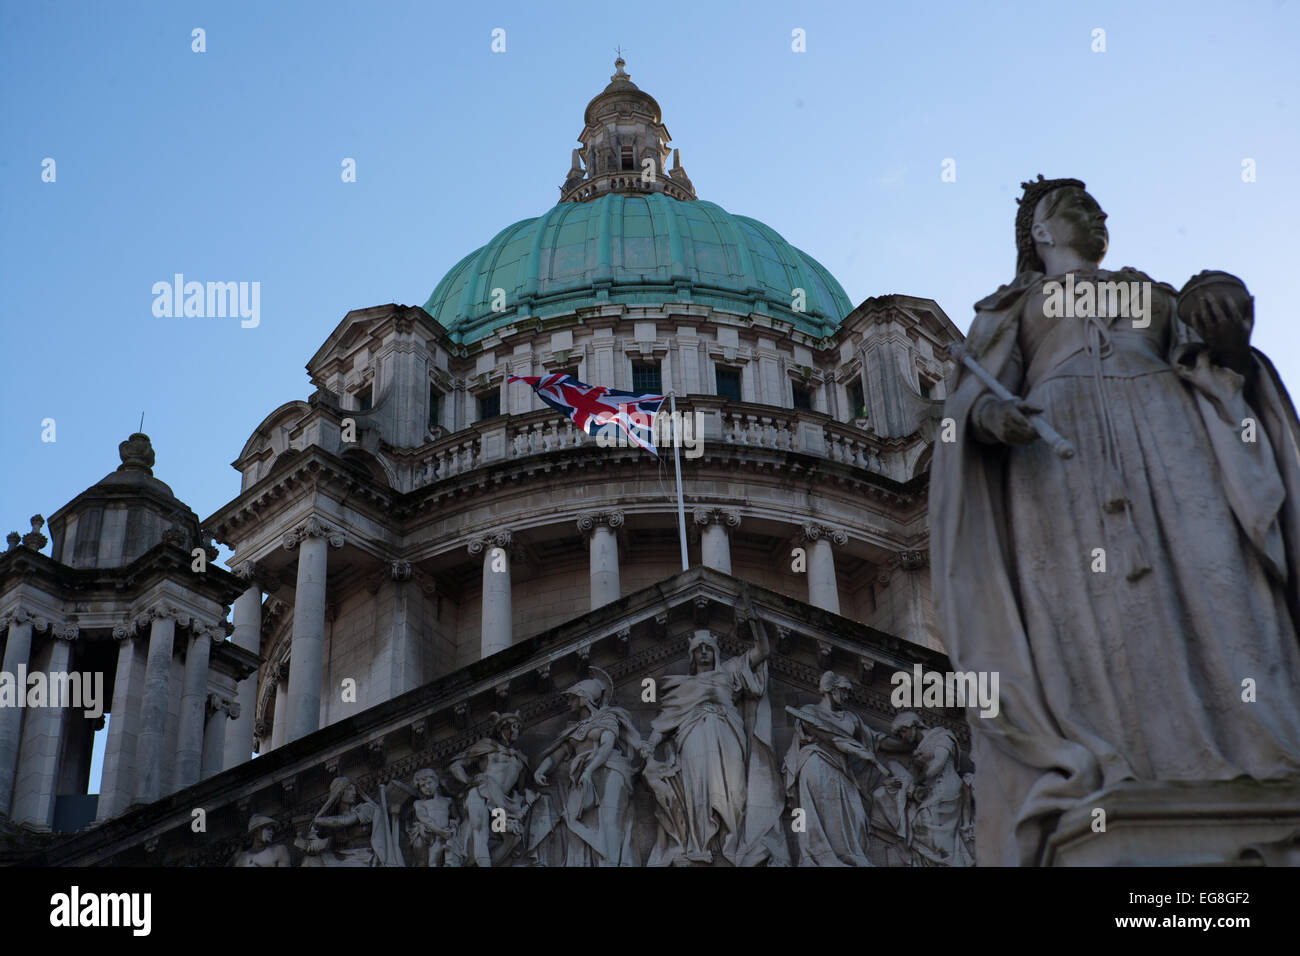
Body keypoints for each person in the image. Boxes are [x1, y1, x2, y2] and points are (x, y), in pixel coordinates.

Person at [930, 175, 1300, 865]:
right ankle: (1116, 763)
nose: (1094, 211)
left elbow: (1220, 361)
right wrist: (990, 414)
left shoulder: (1156, 292)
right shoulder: (1014, 307)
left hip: (1173, 431)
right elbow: (976, 400)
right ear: (1039, 232)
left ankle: (1258, 750)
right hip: (1059, 457)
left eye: (1096, 204)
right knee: (1092, 614)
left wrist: (1225, 330)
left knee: (1221, 580)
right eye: (1072, 204)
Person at [640, 601, 789, 866]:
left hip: (728, 733)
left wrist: (754, 620)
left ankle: (733, 844)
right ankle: (698, 845)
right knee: (698, 789)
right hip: (694, 735)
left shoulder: (729, 672)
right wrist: (649, 747)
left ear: (717, 653)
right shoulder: (684, 687)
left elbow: (763, 651)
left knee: (734, 792)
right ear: (692, 656)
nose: (705, 654)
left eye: (709, 649)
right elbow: (664, 723)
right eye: (699, 650)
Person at [533, 666, 642, 866]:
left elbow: (607, 745)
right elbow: (558, 755)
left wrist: (590, 769)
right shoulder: (574, 729)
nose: (569, 702)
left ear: (585, 697)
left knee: (609, 820)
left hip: (610, 769)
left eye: (573, 697)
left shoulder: (607, 717)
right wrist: (541, 769)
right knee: (573, 820)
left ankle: (611, 862)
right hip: (583, 775)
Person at [782, 671, 881, 866]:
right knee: (817, 815)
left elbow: (877, 738)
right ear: (830, 688)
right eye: (843, 691)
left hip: (843, 771)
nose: (846, 696)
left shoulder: (851, 718)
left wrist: (913, 740)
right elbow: (829, 736)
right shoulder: (810, 711)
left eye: (848, 693)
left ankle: (850, 856)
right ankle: (819, 857)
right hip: (817, 763)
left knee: (859, 818)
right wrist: (859, 752)